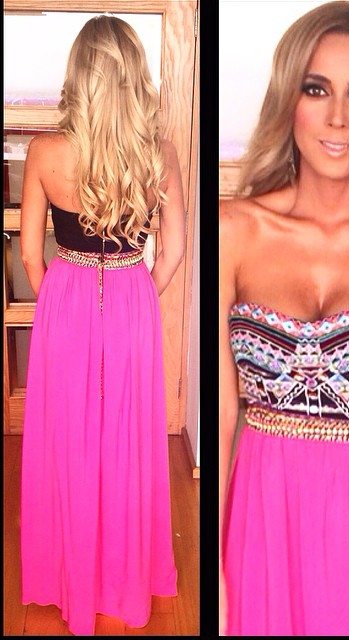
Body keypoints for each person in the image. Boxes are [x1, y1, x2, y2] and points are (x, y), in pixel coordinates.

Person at [219, 1, 349, 635]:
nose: (337, 117)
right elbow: (222, 417)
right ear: (289, 99)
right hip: (265, 520)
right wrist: (214, 567)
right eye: (316, 89)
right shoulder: (234, 230)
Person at [19, 15, 185, 636]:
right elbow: (173, 252)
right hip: (131, 296)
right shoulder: (158, 152)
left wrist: (64, 307)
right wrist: (132, 298)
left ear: (78, 76)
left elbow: (30, 256)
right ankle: (122, 573)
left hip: (65, 296)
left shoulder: (45, 151)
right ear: (134, 76)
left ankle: (67, 571)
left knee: (68, 435)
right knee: (126, 436)